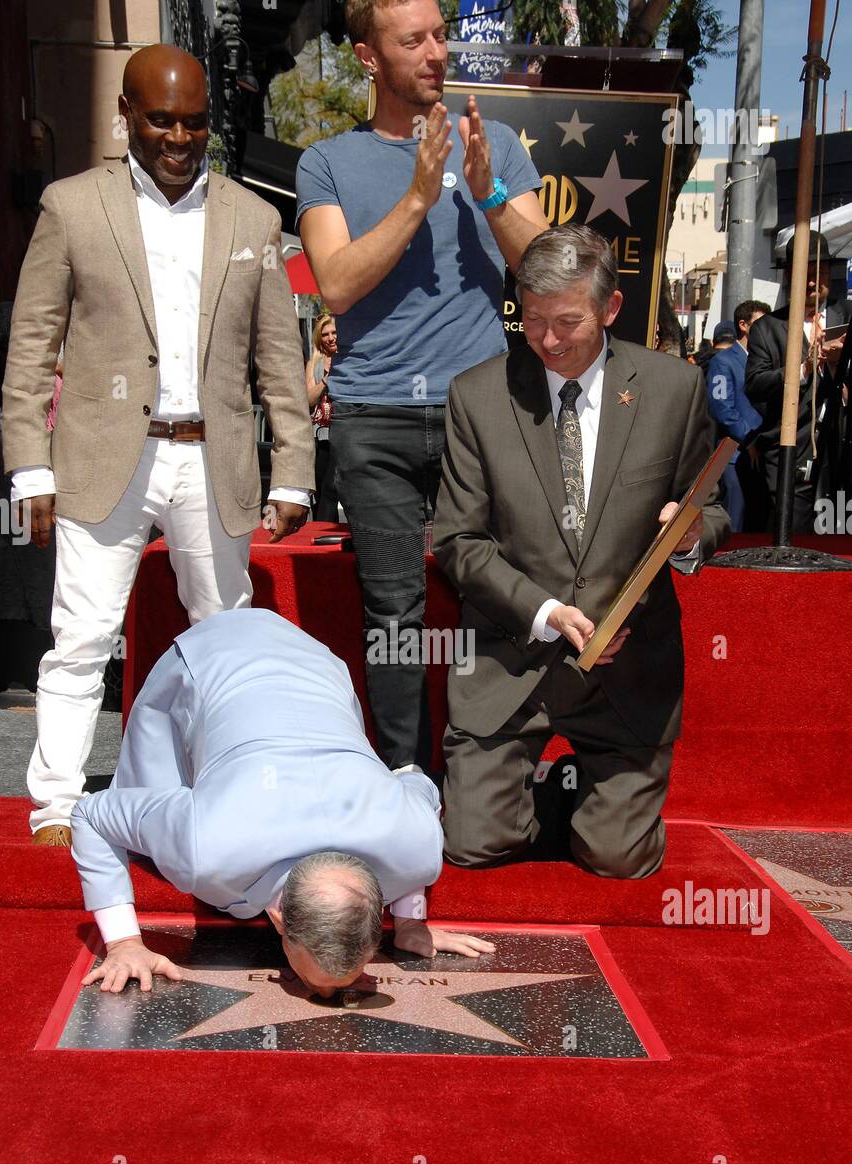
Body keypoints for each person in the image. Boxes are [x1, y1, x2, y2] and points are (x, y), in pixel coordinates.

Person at [1, 44, 314, 846]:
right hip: (105, 455)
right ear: (127, 117)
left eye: (195, 122)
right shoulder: (71, 207)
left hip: (213, 460)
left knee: (223, 637)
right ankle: (58, 805)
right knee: (81, 637)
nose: (179, 137)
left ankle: (225, 785)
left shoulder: (254, 218)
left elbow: (279, 361)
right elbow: (31, 346)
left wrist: (293, 475)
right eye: (162, 120)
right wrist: (28, 463)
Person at [295, 0, 549, 773]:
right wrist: (417, 194)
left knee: (496, 602)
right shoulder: (327, 162)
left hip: (482, 415)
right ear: (369, 57)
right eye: (414, 40)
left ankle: (485, 778)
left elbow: (545, 273)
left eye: (440, 35)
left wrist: (487, 193)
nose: (436, 52)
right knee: (395, 614)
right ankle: (403, 779)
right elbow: (335, 283)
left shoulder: (493, 143)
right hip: (375, 418)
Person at [433, 225, 731, 878]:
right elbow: (457, 539)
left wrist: (690, 532)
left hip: (625, 677)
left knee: (616, 861)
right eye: (531, 319)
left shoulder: (673, 390)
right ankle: (535, 793)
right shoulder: (477, 395)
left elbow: (709, 510)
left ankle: (595, 799)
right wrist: (543, 613)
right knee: (472, 847)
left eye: (566, 321)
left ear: (609, 308)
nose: (546, 340)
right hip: (511, 665)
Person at [72, 608, 492, 996]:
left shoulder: (415, 842)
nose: (327, 999)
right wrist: (124, 943)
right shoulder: (205, 840)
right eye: (320, 981)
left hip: (314, 664)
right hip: (210, 659)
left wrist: (410, 922)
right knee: (145, 821)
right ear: (276, 919)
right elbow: (92, 813)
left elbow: (416, 781)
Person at [745, 230, 846, 533]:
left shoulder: (849, 316)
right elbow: (755, 384)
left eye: (821, 271)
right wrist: (804, 368)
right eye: (806, 272)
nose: (814, 281)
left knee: (840, 537)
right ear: (790, 275)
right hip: (791, 452)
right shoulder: (768, 327)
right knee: (792, 533)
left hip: (841, 451)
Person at [705, 302, 770, 532]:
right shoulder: (723, 362)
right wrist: (749, 438)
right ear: (743, 325)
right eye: (761, 323)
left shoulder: (764, 361)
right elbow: (722, 408)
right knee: (736, 521)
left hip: (763, 453)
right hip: (734, 454)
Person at [305, 313, 340, 521]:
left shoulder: (351, 359)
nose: (330, 337)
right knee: (322, 491)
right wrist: (325, 380)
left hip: (346, 432)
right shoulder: (314, 364)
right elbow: (308, 399)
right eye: (325, 334)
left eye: (334, 332)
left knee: (340, 490)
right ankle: (322, 538)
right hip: (322, 436)